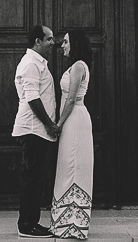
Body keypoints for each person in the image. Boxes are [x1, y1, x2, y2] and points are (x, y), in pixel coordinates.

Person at [14, 24, 58, 238]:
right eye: (49, 39)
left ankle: (32, 222)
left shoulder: (38, 63)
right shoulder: (31, 64)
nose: (53, 43)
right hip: (33, 129)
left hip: (37, 130)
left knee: (36, 178)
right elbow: (32, 98)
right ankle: (26, 225)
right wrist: (49, 124)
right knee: (32, 178)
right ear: (37, 41)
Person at [51, 30, 93, 239]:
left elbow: (71, 99)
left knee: (73, 166)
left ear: (75, 44)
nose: (62, 46)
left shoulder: (78, 66)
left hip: (75, 119)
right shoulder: (75, 66)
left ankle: (73, 224)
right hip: (71, 119)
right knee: (67, 165)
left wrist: (58, 124)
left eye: (66, 42)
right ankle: (64, 222)